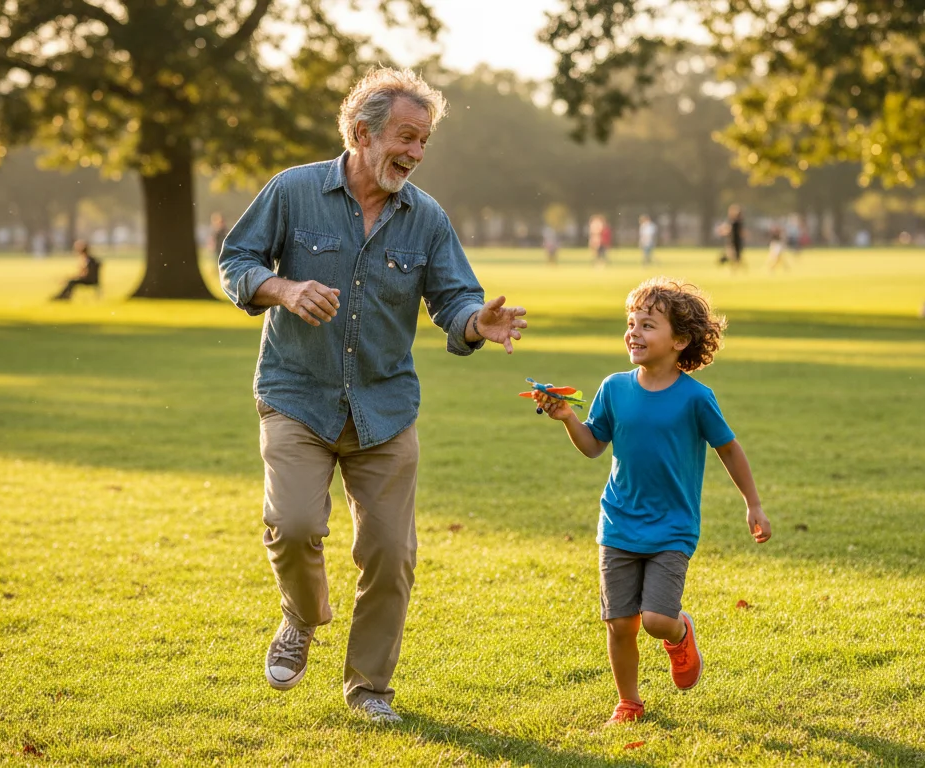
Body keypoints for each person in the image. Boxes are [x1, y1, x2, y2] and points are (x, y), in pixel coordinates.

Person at [217, 67, 528, 725]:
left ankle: (369, 689)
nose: (415, 154)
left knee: (390, 556)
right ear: (362, 132)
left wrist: (476, 321)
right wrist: (284, 290)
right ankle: (301, 614)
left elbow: (454, 298)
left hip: (384, 409)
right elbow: (237, 261)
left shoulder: (427, 217)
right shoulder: (293, 191)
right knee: (295, 524)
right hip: (295, 394)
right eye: (406, 137)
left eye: (424, 143)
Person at [531, 277, 772, 726]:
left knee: (657, 619)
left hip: (672, 528)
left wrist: (753, 503)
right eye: (630, 322)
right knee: (620, 624)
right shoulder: (614, 388)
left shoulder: (696, 398)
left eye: (647, 325)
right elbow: (592, 445)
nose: (633, 332)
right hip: (619, 523)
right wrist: (566, 417)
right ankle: (629, 701)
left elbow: (729, 449)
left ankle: (680, 635)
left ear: (679, 340)